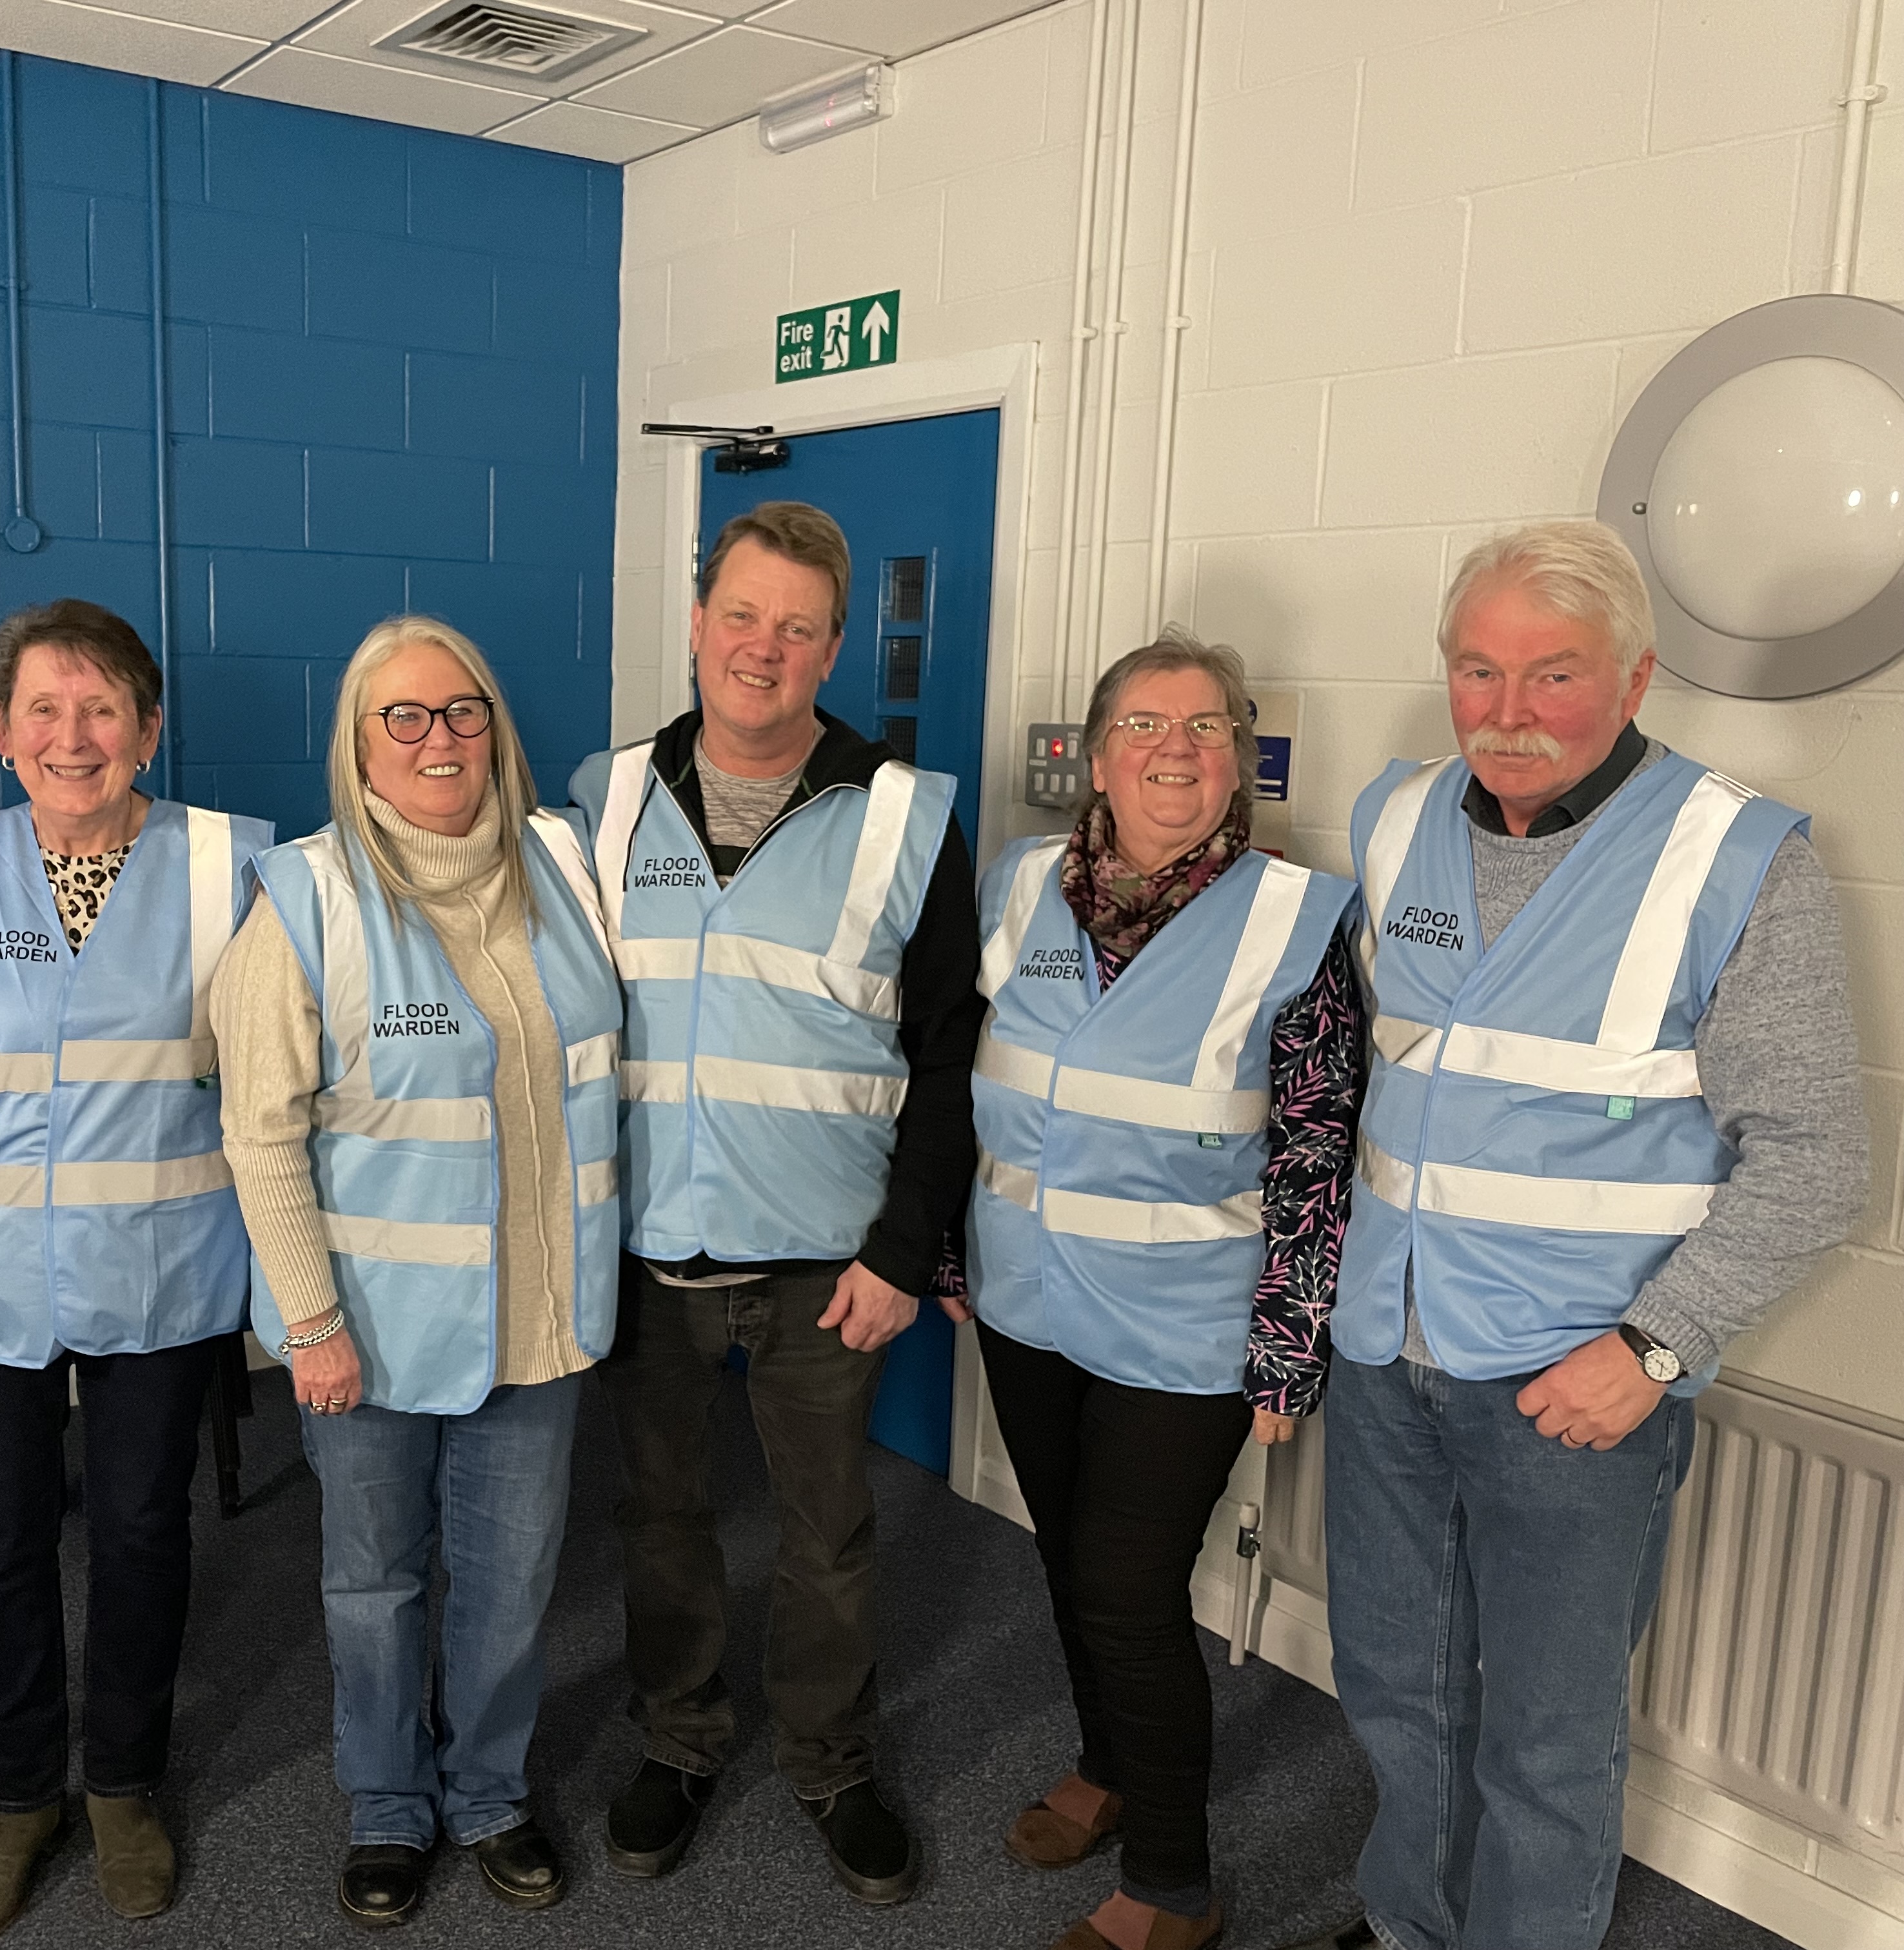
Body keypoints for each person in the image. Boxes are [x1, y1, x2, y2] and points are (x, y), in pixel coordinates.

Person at [1285, 521, 1868, 1950]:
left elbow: (1818, 1159)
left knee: (1547, 1742)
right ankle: (1411, 1925)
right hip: (1387, 1355)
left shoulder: (1735, 856)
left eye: (1554, 674)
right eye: (1478, 670)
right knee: (1399, 1696)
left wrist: (1655, 1349)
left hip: (1575, 1387)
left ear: (1634, 677)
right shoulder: (1397, 815)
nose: (1508, 710)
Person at [564, 500, 984, 1906]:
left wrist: (904, 1250)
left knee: (828, 1536)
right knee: (662, 1518)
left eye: (798, 627)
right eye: (741, 616)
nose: (764, 648)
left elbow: (945, 1056)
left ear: (834, 646)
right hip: (650, 1247)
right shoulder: (606, 797)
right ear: (696, 624)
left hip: (831, 1266)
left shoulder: (907, 816)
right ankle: (679, 1740)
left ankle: (830, 1761)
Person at [212, 616, 623, 1929]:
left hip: (539, 1318)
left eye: (462, 712)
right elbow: (262, 1133)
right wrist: (309, 1322)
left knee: (509, 1589)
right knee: (376, 1587)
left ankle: (492, 1794)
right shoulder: (306, 895)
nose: (438, 738)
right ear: (359, 745)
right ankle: (389, 1804)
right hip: (370, 1336)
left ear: (494, 729)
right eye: (405, 717)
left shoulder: (563, 863)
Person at [0, 600, 271, 1942]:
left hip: (164, 1272)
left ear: (149, 727)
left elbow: (275, 1084)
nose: (73, 735)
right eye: (43, 710)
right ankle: (15, 1795)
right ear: (2, 733)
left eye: (102, 708)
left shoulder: (230, 865)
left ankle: (122, 1785)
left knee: (146, 1535)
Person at [966, 630, 1362, 1950]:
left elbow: (1318, 1144)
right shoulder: (1021, 886)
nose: (1176, 749)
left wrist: (1290, 1347)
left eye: (1206, 727)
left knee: (1131, 1593)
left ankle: (1175, 1884)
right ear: (1095, 751)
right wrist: (962, 1255)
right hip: (1028, 1303)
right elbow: (990, 1079)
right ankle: (1108, 1764)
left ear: (1241, 758)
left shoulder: (1293, 916)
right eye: (1146, 724)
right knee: (1072, 1568)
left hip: (1185, 1329)